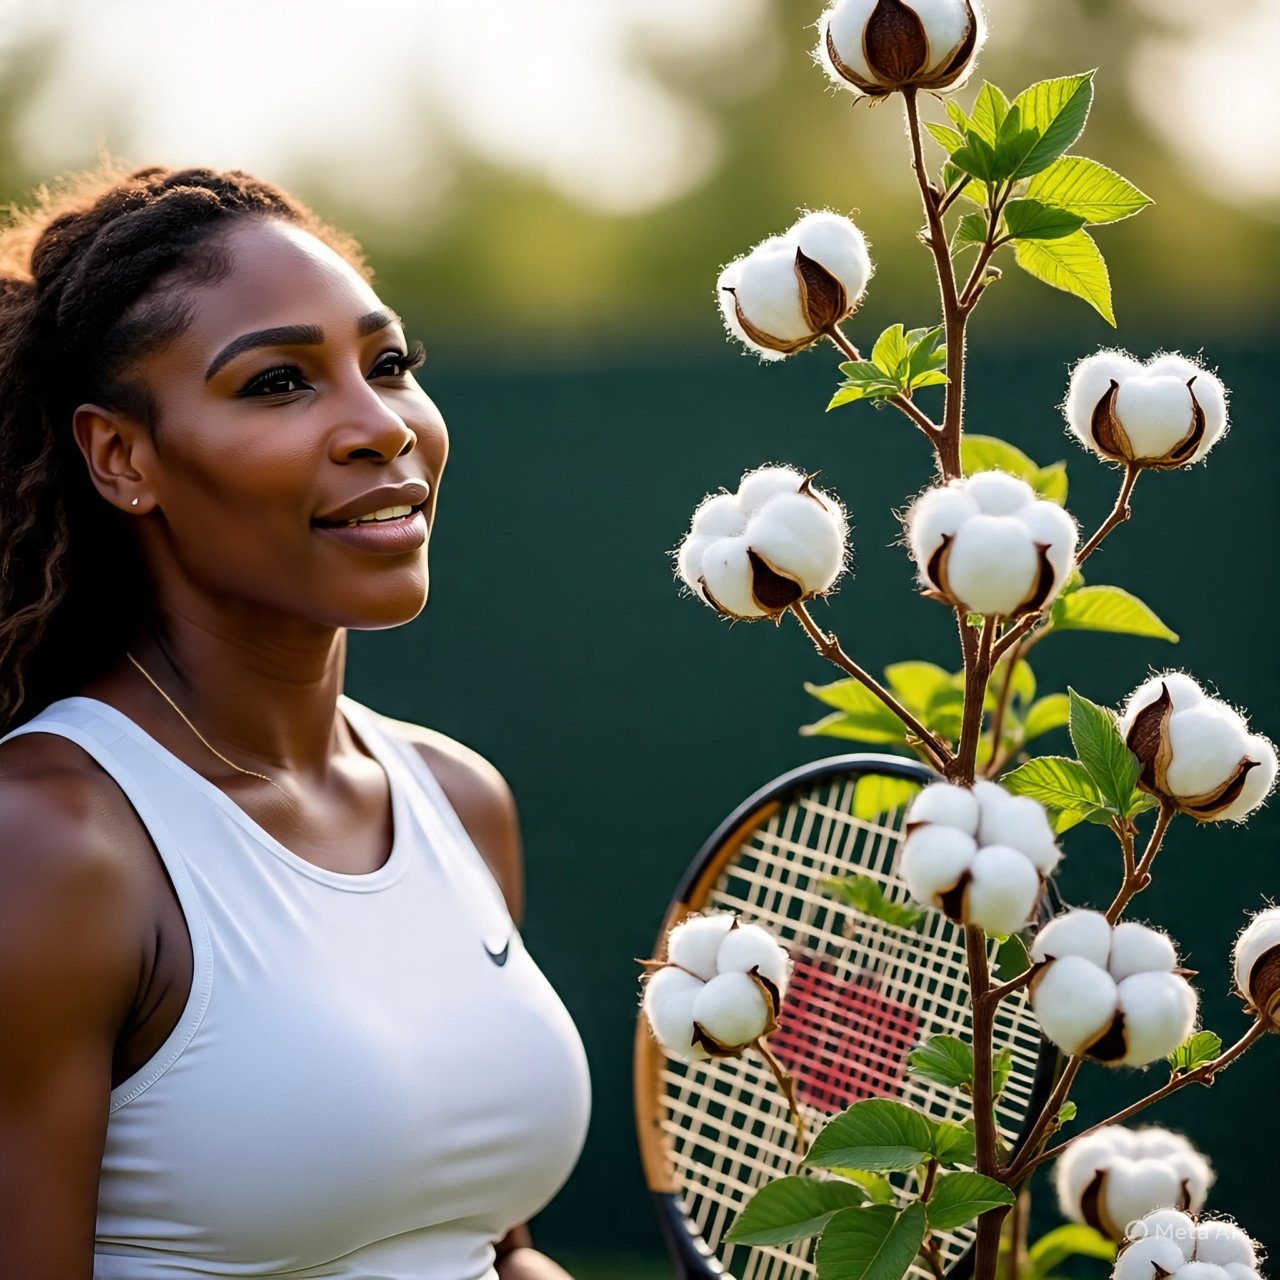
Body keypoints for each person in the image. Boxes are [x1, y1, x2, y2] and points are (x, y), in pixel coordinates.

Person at [0, 164, 591, 1280]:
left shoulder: (456, 798)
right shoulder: (47, 841)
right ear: (121, 456)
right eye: (278, 382)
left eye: (389, 365)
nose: (379, 427)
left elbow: (482, 1247)